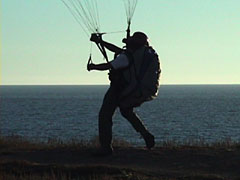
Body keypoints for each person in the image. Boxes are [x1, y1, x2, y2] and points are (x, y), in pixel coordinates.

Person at [87, 32, 156, 156]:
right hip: (131, 89)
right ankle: (146, 135)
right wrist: (100, 42)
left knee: (105, 115)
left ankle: (106, 148)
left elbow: (109, 65)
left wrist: (93, 67)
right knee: (126, 111)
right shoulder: (136, 55)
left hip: (119, 89)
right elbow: (116, 49)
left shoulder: (126, 57)